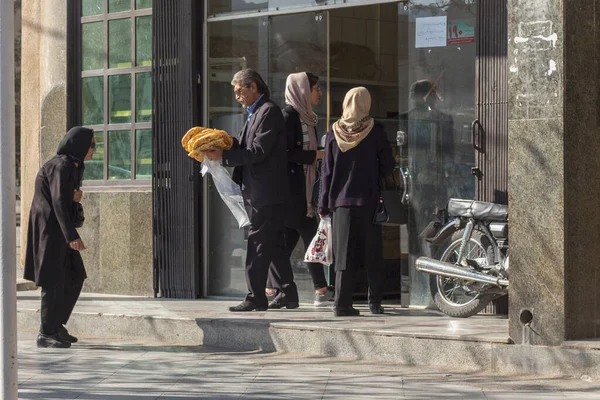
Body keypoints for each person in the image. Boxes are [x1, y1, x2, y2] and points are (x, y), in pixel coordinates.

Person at [204, 69, 299, 311]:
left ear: (253, 87)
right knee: (274, 243)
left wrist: (224, 156)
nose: (237, 97)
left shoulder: (268, 112)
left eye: (239, 91)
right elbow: (246, 145)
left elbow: (258, 151)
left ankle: (256, 297)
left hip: (266, 193)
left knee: (257, 243)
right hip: (261, 192)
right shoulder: (255, 112)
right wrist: (221, 144)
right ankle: (287, 293)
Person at [318, 87, 394, 317]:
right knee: (373, 252)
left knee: (343, 254)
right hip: (369, 200)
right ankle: (375, 303)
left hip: (341, 203)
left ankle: (341, 303)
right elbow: (388, 165)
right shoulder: (376, 131)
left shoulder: (333, 133)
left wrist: (323, 204)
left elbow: (327, 173)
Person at [24, 126, 95, 348]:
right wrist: (71, 235)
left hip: (59, 230)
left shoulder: (72, 166)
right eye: (92, 145)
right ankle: (46, 333)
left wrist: (75, 199)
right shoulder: (61, 165)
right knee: (52, 280)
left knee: (75, 276)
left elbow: (66, 201)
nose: (94, 149)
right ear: (80, 145)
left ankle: (55, 325)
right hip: (51, 231)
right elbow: (58, 203)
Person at [268, 72, 334, 309]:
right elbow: (284, 154)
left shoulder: (309, 118)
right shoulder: (288, 117)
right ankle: (321, 289)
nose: (320, 93)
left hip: (304, 190)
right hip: (294, 190)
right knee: (311, 238)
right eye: (316, 88)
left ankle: (271, 286)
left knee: (288, 243)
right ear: (304, 91)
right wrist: (316, 155)